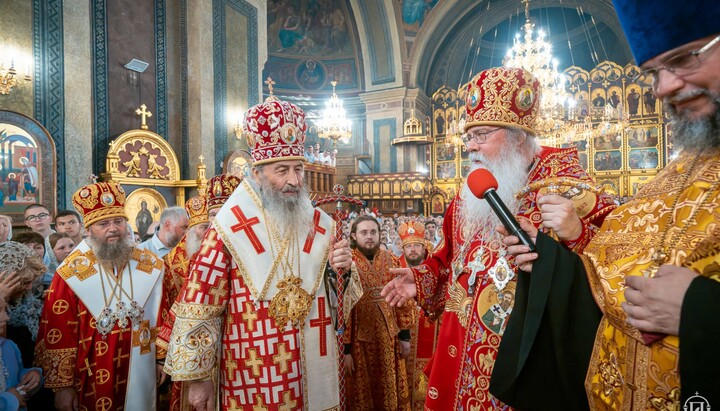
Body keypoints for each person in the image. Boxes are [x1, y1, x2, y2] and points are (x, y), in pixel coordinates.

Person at [491, 1, 720, 408]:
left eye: (683, 58)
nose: (663, 87)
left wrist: (699, 309)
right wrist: (547, 257)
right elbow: (611, 285)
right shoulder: (678, 171)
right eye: (652, 72)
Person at [381, 67, 616, 410]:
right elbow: (447, 260)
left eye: (481, 135)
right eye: (469, 137)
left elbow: (615, 265)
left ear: (519, 136)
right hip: (461, 354)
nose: (471, 148)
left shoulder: (569, 188)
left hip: (525, 359)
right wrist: (422, 277)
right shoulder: (468, 195)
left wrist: (577, 235)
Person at [164, 89, 352, 410]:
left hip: (314, 362)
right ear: (257, 174)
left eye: (298, 169)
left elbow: (341, 298)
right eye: (282, 170)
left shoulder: (320, 222)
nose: (294, 180)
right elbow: (200, 304)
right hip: (251, 372)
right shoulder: (229, 227)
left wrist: (342, 270)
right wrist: (198, 379)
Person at [35, 180, 168, 410]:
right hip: (90, 370)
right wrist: (63, 386)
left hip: (141, 362)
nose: (113, 229)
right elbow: (58, 328)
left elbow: (161, 311)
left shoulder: (150, 265)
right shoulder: (71, 272)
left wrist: (160, 358)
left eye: (118, 221)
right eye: (103, 223)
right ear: (89, 229)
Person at [344, 215, 411, 410]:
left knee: (388, 390)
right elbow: (343, 308)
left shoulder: (391, 260)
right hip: (358, 342)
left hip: (389, 338)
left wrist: (405, 336)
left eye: (373, 232)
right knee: (363, 392)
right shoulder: (348, 263)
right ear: (354, 236)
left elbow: (402, 300)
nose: (369, 236)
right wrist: (346, 349)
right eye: (364, 232)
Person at [397, 221, 439, 410]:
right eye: (409, 246)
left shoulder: (435, 270)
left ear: (425, 246)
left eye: (417, 245)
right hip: (404, 340)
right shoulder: (395, 267)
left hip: (433, 340)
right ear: (403, 248)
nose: (413, 250)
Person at [0, 296, 43, 411]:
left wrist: (31, 375)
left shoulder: (8, 346)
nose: (6, 317)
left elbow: (14, 375)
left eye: (4, 310)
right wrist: (8, 400)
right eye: (0, 311)